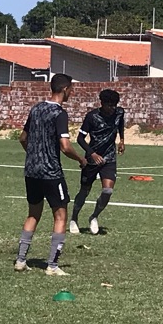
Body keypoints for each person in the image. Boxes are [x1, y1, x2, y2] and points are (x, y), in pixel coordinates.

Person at [16, 73, 85, 276]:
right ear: (65, 90)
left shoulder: (36, 108)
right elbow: (65, 146)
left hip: (31, 171)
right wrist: (81, 159)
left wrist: (33, 155)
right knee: (61, 215)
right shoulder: (59, 113)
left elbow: (22, 138)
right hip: (51, 172)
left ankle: (20, 260)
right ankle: (53, 266)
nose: (72, 93)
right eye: (71, 89)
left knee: (33, 214)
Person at [69, 87, 127, 235]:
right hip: (92, 159)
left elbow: (120, 125)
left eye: (114, 105)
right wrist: (92, 153)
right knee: (84, 191)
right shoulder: (92, 117)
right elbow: (80, 139)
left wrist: (122, 140)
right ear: (102, 103)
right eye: (108, 105)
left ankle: (94, 217)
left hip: (109, 158)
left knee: (107, 191)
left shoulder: (119, 113)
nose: (111, 108)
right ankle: (74, 218)